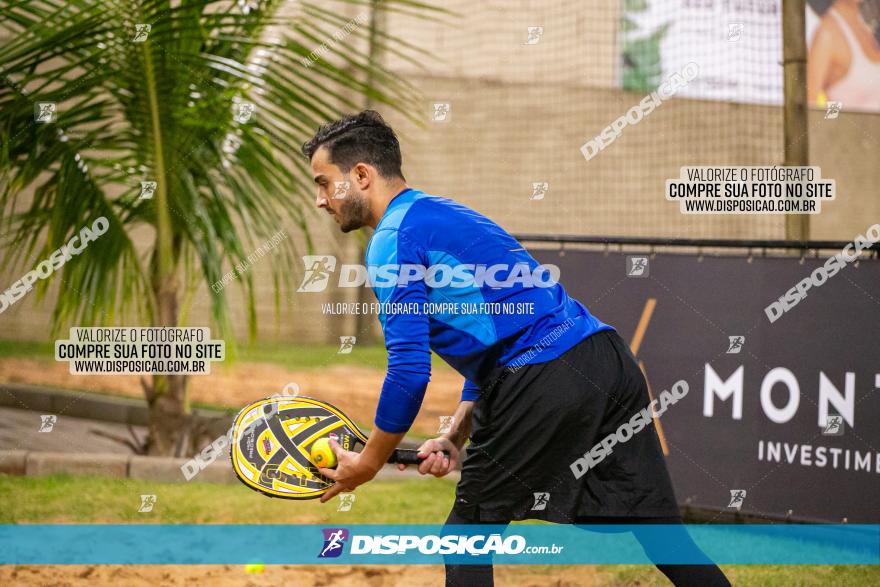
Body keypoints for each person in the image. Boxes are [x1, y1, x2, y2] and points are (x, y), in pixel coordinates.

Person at [302, 110, 730, 586]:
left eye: (324, 183)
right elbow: (499, 331)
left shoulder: (390, 243)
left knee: (464, 539)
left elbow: (408, 373)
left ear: (361, 175)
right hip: (606, 360)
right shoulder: (449, 214)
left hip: (542, 377)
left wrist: (368, 461)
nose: (321, 200)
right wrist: (455, 434)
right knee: (663, 537)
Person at [808, 0, 880, 110]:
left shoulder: (865, 26)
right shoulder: (827, 34)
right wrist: (837, 122)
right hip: (852, 127)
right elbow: (809, 106)